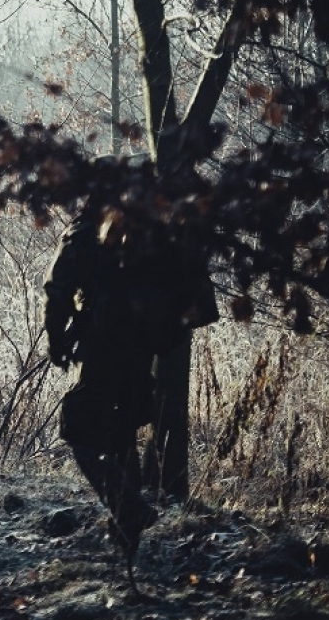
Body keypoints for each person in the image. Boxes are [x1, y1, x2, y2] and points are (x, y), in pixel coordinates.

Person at [43, 191, 216, 567]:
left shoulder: (86, 230)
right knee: (121, 432)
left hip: (101, 344)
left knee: (79, 431)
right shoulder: (151, 229)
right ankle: (127, 536)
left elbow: (57, 291)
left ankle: (128, 509)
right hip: (144, 346)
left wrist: (57, 340)